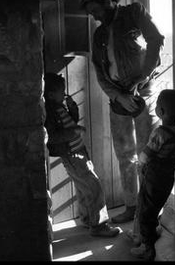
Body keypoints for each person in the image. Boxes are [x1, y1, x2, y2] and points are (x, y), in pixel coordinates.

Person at [80, 0, 165, 223]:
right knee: (125, 156)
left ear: (107, 2)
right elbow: (99, 70)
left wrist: (142, 78)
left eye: (93, 9)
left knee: (148, 155)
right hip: (118, 99)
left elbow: (156, 40)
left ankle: (151, 212)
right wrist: (118, 96)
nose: (92, 15)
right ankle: (131, 206)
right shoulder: (98, 35)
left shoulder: (134, 13)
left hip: (144, 95)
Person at [44, 72, 120, 237]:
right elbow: (53, 137)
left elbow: (72, 121)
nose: (64, 94)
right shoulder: (50, 113)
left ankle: (88, 219)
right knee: (94, 187)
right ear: (50, 95)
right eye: (61, 91)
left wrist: (72, 108)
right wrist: (74, 132)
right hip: (72, 155)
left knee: (84, 187)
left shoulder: (59, 107)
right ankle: (99, 226)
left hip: (78, 152)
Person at [130, 89, 175, 261]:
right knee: (156, 205)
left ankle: (147, 248)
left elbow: (146, 155)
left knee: (146, 208)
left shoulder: (159, 133)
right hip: (168, 175)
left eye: (157, 106)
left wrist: (139, 162)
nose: (155, 108)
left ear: (161, 112)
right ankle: (151, 231)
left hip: (154, 175)